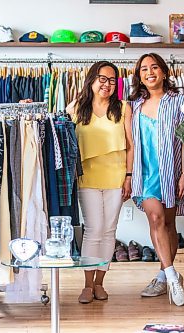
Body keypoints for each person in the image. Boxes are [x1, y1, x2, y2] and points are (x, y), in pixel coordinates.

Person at [66, 61, 133, 304]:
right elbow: (63, 137)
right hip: (87, 177)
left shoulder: (123, 108)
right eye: (102, 79)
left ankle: (100, 283)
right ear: (92, 80)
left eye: (112, 80)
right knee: (93, 230)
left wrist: (129, 175)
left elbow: (130, 144)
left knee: (109, 231)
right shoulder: (75, 108)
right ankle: (86, 285)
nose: (107, 84)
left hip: (116, 176)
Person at [129, 53, 184, 306]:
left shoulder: (180, 101)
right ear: (139, 76)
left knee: (170, 224)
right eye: (144, 69)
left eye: (154, 67)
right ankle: (173, 277)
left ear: (164, 72)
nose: (149, 72)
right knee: (156, 218)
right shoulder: (132, 106)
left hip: (171, 172)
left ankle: (163, 275)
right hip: (145, 174)